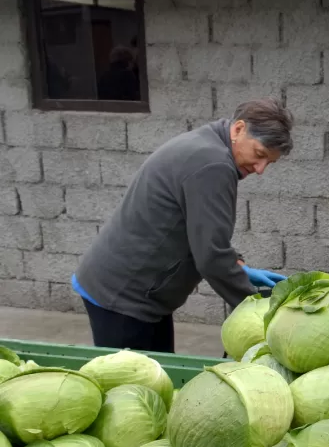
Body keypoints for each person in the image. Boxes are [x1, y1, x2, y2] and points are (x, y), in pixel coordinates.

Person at [72, 99, 292, 353]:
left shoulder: (206, 143)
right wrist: (258, 310)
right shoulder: (213, 164)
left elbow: (200, 230)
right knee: (135, 386)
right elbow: (211, 257)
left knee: (163, 374)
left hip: (139, 292)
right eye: (260, 154)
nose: (260, 169)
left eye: (269, 163)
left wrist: (239, 266)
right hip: (123, 296)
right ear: (239, 129)